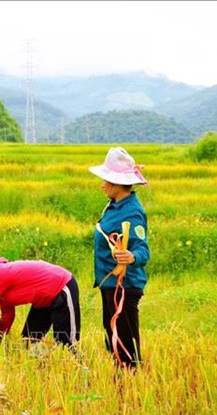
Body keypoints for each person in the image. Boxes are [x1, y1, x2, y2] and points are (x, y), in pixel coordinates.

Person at [89, 147, 150, 370]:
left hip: (123, 287)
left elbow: (143, 250)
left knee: (125, 342)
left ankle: (132, 386)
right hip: (110, 283)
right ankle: (121, 382)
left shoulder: (132, 212)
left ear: (116, 183)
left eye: (105, 180)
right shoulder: (114, 206)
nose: (102, 184)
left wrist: (131, 256)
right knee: (113, 336)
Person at [0, 245, 81, 350]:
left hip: (61, 286)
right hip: (42, 300)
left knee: (66, 343)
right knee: (29, 340)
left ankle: (80, 367)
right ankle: (41, 366)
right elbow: (8, 315)